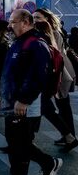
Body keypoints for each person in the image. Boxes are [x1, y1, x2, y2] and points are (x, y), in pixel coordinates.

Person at [0, 9, 62, 175]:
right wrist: (3, 97)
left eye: (13, 22)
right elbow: (11, 74)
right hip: (12, 103)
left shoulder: (36, 44)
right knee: (17, 143)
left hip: (24, 106)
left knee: (19, 146)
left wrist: (24, 100)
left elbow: (38, 76)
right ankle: (47, 164)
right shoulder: (19, 42)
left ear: (25, 22)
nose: (10, 25)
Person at [33, 8, 77, 152]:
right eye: (34, 18)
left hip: (61, 73)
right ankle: (69, 136)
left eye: (38, 17)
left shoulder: (54, 33)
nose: (35, 20)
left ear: (47, 18)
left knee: (62, 106)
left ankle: (70, 136)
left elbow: (55, 56)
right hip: (58, 72)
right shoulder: (46, 33)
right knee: (59, 106)